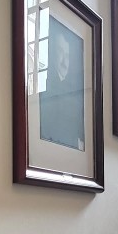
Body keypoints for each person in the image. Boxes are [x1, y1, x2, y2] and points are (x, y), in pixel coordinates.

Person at [39, 21, 85, 150]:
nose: (65, 62)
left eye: (67, 56)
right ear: (52, 53)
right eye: (60, 52)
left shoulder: (75, 93)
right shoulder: (44, 88)